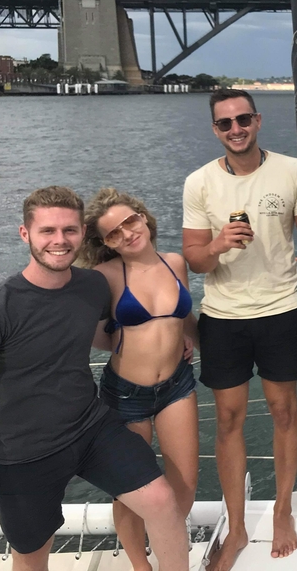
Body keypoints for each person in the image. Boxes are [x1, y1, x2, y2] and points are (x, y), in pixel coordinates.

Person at [0, 187, 188, 571]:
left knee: (162, 502)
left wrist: (173, 335)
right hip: (26, 451)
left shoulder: (91, 286)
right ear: (25, 234)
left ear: (82, 235)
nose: (59, 241)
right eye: (47, 231)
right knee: (32, 558)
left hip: (91, 428)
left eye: (69, 230)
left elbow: (114, 330)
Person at [182, 89, 297, 570]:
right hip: (223, 316)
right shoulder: (199, 182)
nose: (235, 129)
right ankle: (236, 528)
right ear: (215, 130)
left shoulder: (291, 170)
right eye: (224, 123)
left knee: (283, 412)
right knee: (230, 421)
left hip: (280, 309)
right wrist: (216, 244)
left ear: (257, 120)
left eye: (243, 119)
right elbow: (194, 260)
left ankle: (281, 511)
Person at [80, 188, 199, 571]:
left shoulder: (175, 262)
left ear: (142, 216)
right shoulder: (105, 275)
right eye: (113, 233)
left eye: (130, 221)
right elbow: (96, 334)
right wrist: (124, 342)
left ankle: (169, 557)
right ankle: (139, 565)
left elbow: (179, 315)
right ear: (105, 243)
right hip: (125, 394)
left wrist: (180, 334)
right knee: (131, 493)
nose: (128, 233)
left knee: (184, 486)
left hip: (177, 386)